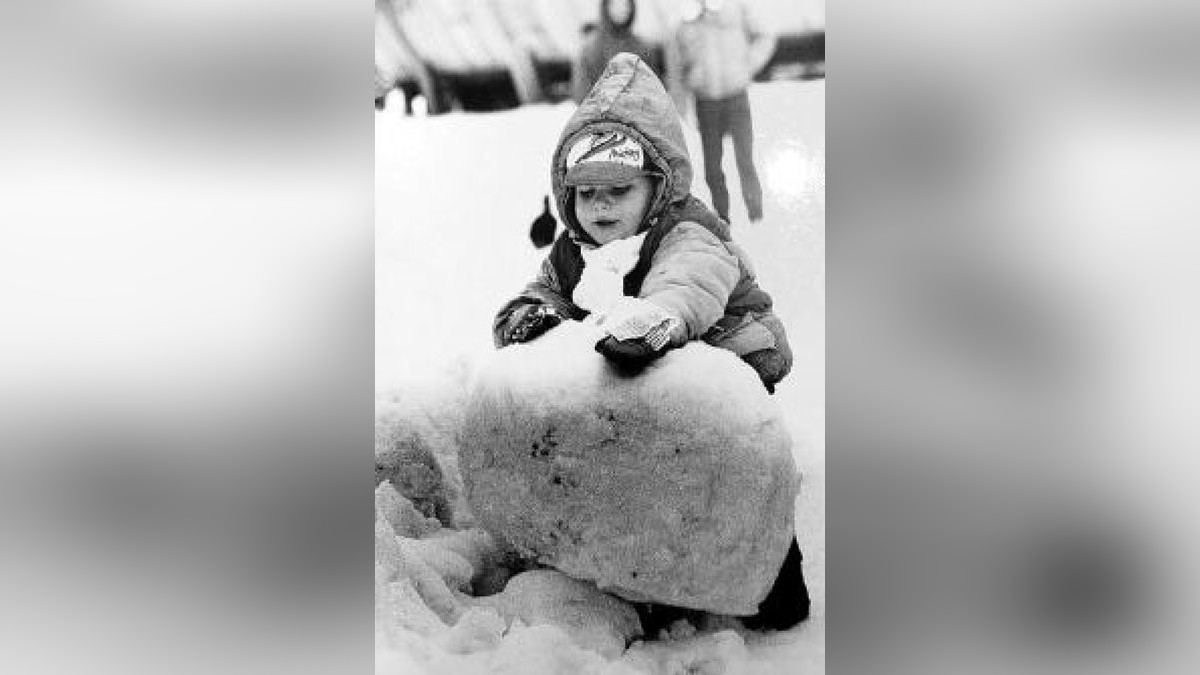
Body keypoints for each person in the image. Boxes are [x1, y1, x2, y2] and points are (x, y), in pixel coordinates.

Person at [492, 53, 808, 631]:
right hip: (643, 364)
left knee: (734, 472)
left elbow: (687, 283)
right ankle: (643, 566)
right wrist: (531, 316)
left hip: (727, 357)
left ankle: (778, 583)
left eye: (618, 190)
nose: (601, 207)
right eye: (586, 195)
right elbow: (543, 290)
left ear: (656, 185)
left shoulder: (687, 229)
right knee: (633, 460)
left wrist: (655, 318)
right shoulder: (572, 250)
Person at [666, 0, 775, 223]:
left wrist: (748, 66)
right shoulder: (682, 18)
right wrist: (681, 107)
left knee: (746, 158)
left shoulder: (737, 7)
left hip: (736, 96)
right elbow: (675, 66)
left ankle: (756, 213)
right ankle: (723, 216)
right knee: (712, 166)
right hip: (706, 102)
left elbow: (765, 34)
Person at [571, 0, 661, 104]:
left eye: (626, 4)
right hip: (600, 117)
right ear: (606, 7)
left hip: (636, 117)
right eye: (615, 4)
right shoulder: (590, 49)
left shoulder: (643, 48)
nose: (621, 9)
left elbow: (653, 91)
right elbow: (581, 92)